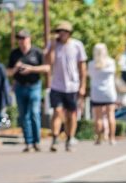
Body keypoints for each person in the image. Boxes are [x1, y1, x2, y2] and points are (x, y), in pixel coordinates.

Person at [46, 21, 87, 152]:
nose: (61, 34)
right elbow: (49, 63)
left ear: (69, 33)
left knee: (71, 115)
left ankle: (70, 138)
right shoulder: (53, 45)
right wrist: (51, 47)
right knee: (57, 112)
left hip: (72, 86)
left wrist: (83, 86)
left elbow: (82, 67)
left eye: (64, 31)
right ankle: (55, 138)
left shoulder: (77, 45)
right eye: (59, 31)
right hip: (57, 85)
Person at [7, 30, 48, 152]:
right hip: (20, 86)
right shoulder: (14, 54)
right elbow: (8, 72)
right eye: (19, 38)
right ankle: (28, 142)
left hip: (34, 85)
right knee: (24, 115)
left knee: (34, 113)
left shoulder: (37, 52)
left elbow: (47, 68)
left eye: (24, 38)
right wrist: (16, 68)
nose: (22, 40)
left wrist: (32, 69)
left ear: (29, 39)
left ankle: (37, 141)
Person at [88, 42, 119, 146]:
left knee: (98, 117)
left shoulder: (91, 64)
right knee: (111, 115)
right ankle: (112, 138)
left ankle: (98, 139)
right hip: (109, 92)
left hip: (97, 92)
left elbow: (90, 76)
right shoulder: (111, 62)